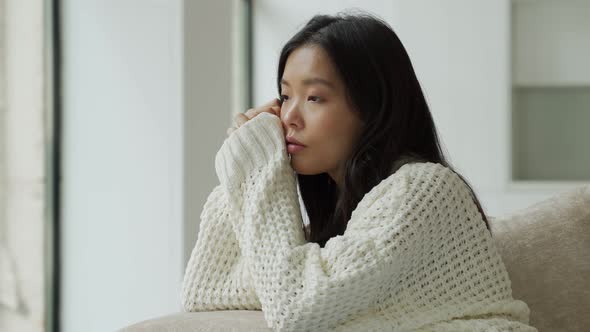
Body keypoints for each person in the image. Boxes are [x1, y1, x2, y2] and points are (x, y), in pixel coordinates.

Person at [181, 10, 538, 332]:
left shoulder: (425, 190)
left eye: (314, 98)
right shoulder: (341, 221)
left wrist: (258, 167)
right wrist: (244, 173)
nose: (288, 117)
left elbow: (295, 310)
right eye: (285, 96)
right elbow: (208, 289)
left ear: (372, 107)